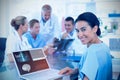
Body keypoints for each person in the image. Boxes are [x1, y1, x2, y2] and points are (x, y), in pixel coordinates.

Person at [59, 12, 112, 80]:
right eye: (77, 31)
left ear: (95, 29)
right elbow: (93, 68)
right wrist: (74, 71)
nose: (80, 35)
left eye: (83, 29)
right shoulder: (104, 46)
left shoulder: (92, 51)